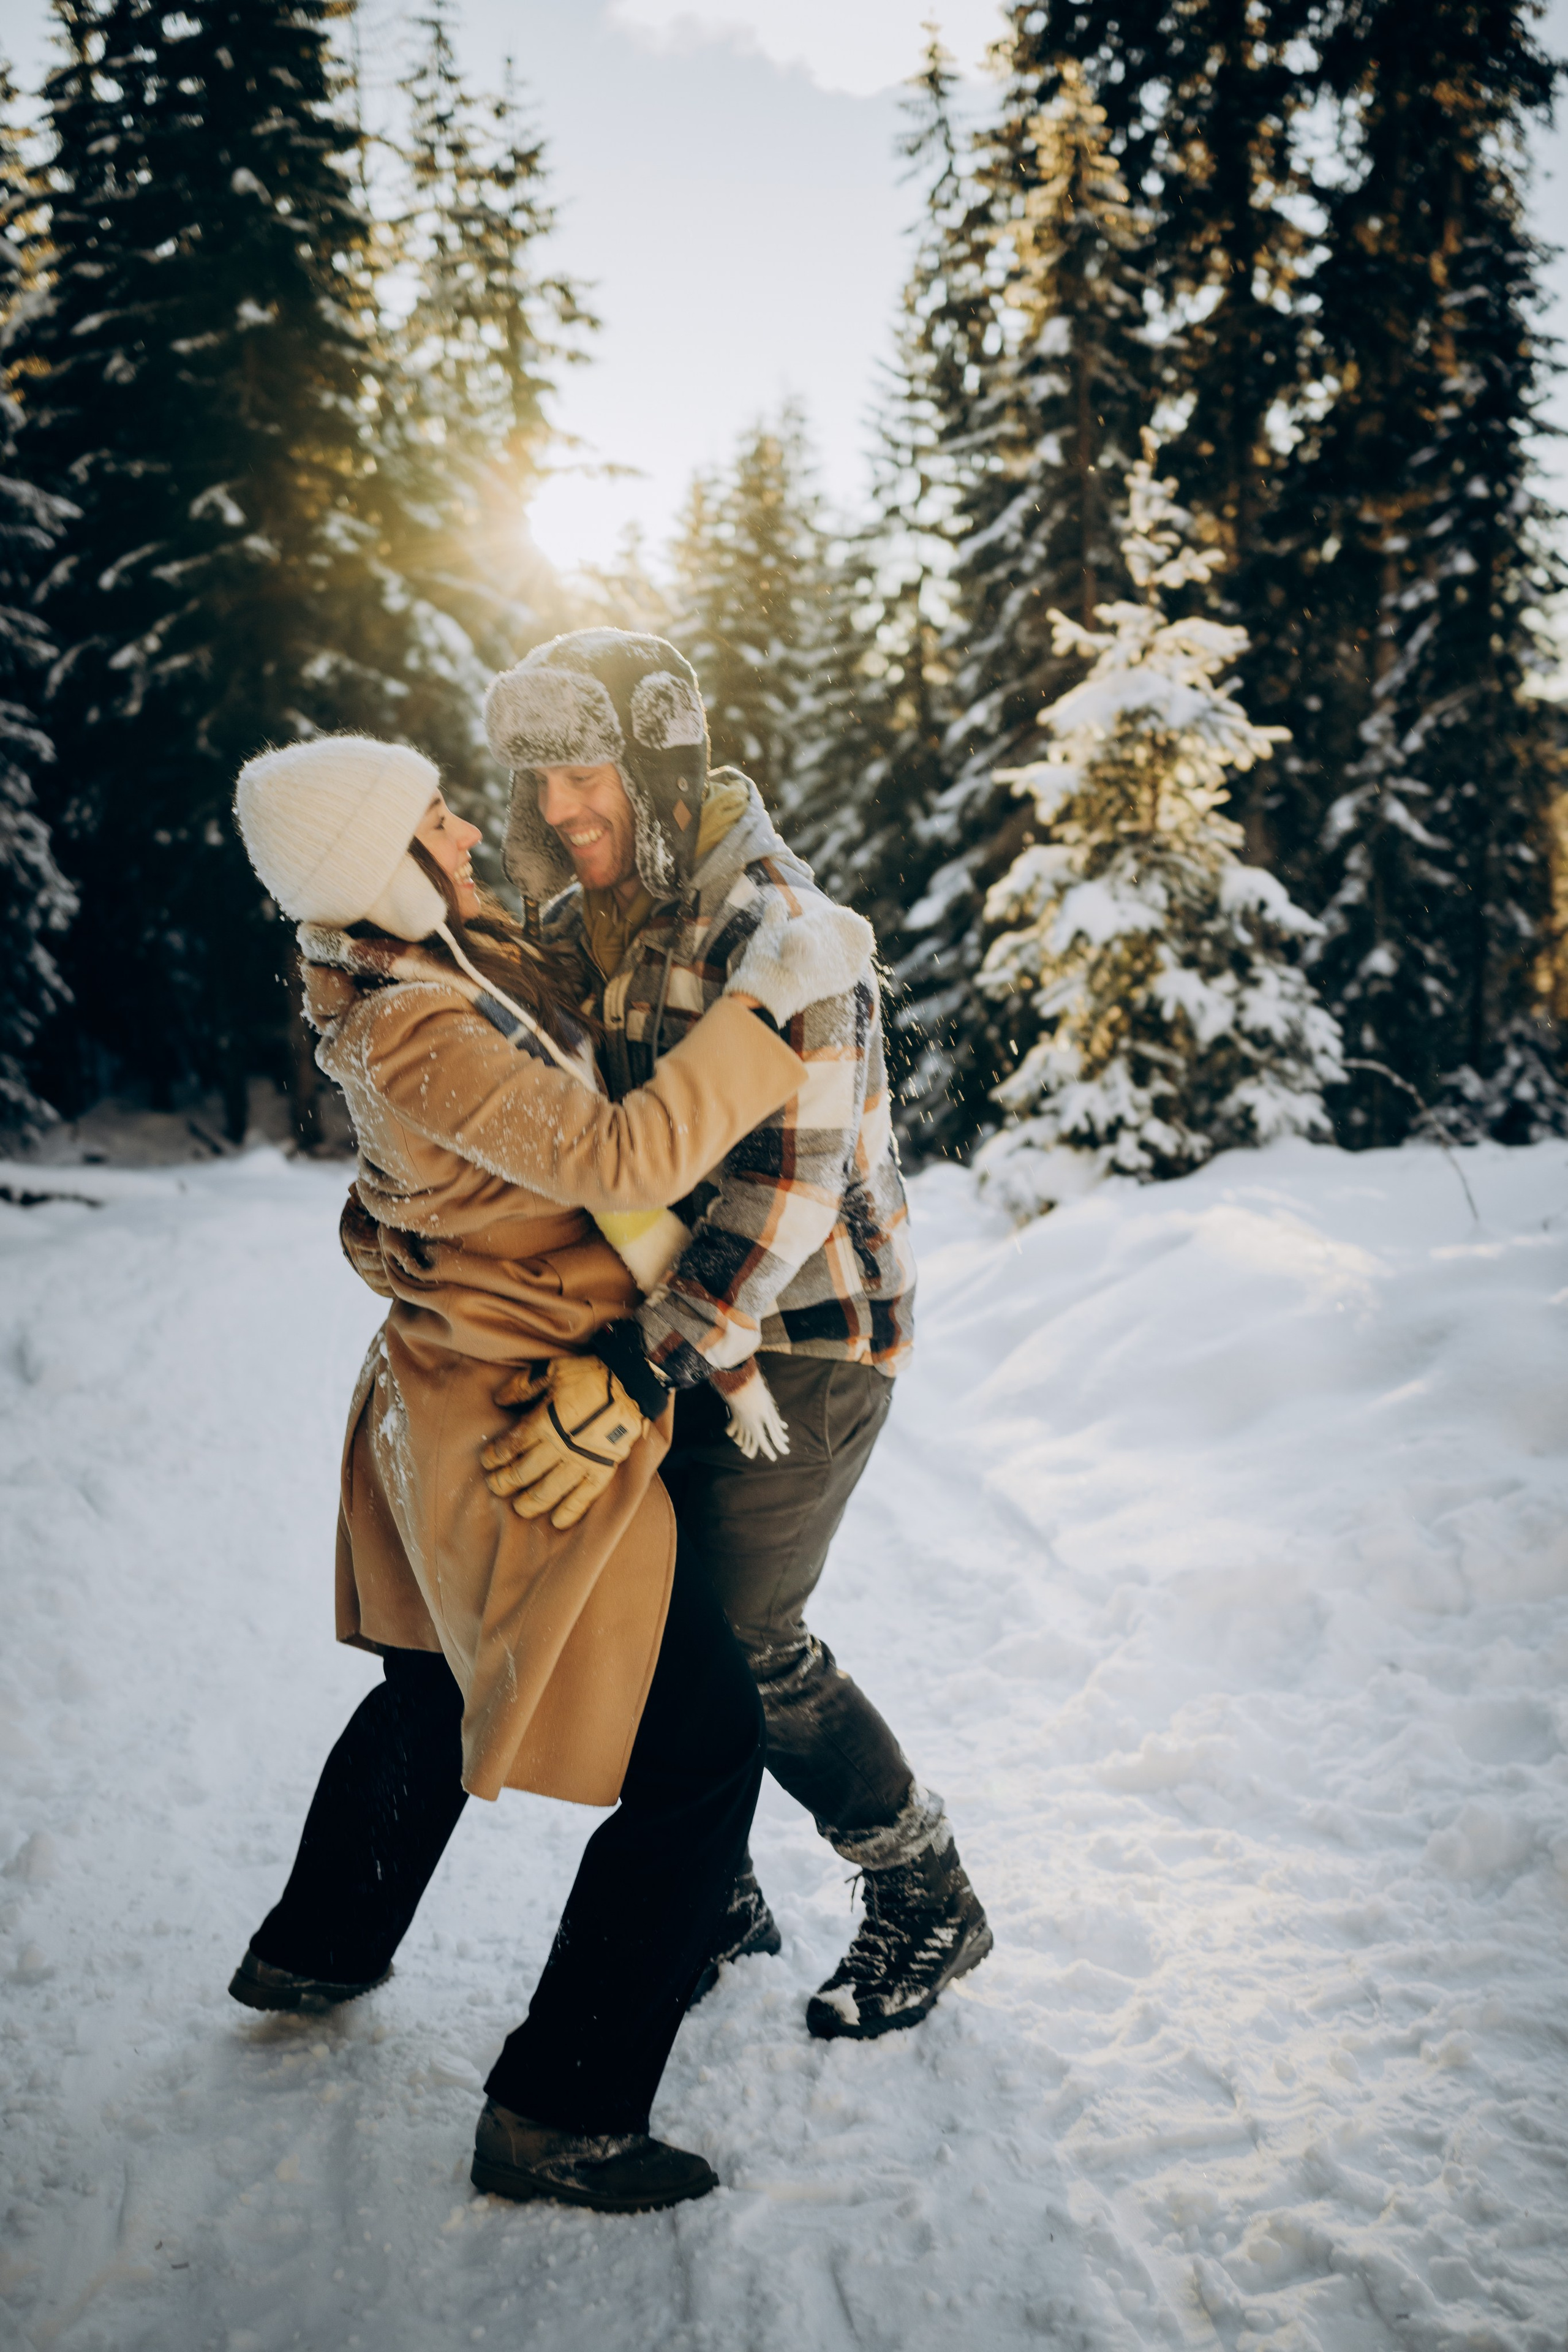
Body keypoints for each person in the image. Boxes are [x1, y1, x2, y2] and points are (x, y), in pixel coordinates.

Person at [228, 733, 812, 2214]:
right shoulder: (414, 1023)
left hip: (469, 1385)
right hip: (525, 1423)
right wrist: (770, 1005)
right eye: (439, 820)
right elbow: (620, 1153)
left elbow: (423, 1190)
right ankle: (561, 2111)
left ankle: (320, 1941)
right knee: (699, 1752)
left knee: (427, 1677)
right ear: (382, 864)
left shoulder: (429, 959)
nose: (479, 837)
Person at [481, 630, 991, 2039]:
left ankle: (925, 1895)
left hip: (809, 1333)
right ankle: (713, 1893)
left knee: (744, 1632)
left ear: (651, 763)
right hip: (681, 1323)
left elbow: (787, 1185)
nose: (559, 809)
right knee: (645, 1613)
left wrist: (644, 1355)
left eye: (582, 774)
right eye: (536, 785)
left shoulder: (778, 927)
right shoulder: (596, 913)